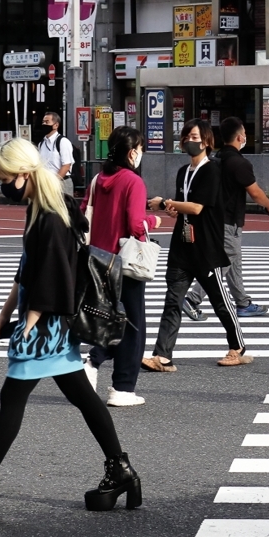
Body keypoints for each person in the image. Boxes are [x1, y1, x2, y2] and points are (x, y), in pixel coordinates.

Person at [0, 138, 140, 519]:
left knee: (13, 397)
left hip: (44, 323)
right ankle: (121, 468)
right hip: (51, 321)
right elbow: (27, 268)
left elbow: (52, 275)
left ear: (25, 174)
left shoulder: (52, 215)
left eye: (6, 177)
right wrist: (4, 312)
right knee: (82, 397)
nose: (2, 184)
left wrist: (27, 322)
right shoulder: (43, 208)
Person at [142, 119, 252, 371]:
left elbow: (197, 207)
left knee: (219, 301)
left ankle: (238, 347)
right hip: (182, 247)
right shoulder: (183, 172)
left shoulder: (213, 170)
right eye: (185, 137)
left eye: (193, 137)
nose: (188, 141)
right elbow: (183, 207)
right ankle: (162, 356)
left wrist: (164, 202)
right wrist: (173, 209)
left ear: (206, 141)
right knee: (172, 301)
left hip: (206, 248)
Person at [81, 127, 162, 407]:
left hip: (97, 259)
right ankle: (122, 387)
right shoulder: (132, 181)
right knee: (132, 324)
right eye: (140, 148)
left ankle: (94, 361)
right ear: (132, 152)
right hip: (125, 261)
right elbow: (135, 224)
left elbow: (83, 215)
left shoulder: (98, 179)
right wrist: (155, 222)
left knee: (112, 318)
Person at [184, 117, 269, 320]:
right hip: (229, 221)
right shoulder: (239, 163)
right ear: (239, 136)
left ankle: (242, 303)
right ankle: (192, 298)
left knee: (234, 262)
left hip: (215, 219)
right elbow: (255, 192)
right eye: (243, 132)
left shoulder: (216, 159)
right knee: (222, 263)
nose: (245, 136)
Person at [38, 112, 76, 196]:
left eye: (47, 122)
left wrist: (54, 182)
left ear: (56, 125)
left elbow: (66, 165)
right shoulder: (41, 144)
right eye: (43, 122)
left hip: (62, 182)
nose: (44, 124)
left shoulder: (63, 142)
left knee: (63, 207)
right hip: (45, 184)